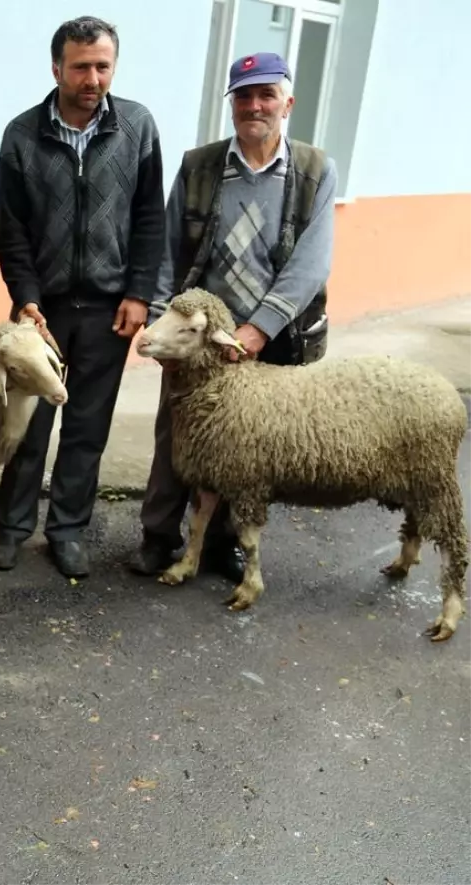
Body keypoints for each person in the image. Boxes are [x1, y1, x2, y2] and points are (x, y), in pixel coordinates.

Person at [128, 51, 338, 582]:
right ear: (232, 105)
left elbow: (312, 262)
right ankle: (158, 536)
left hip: (272, 337)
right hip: (198, 337)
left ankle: (224, 545)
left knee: (248, 450)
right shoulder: (199, 165)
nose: (254, 105)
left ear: (287, 103)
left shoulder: (316, 170)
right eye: (243, 96)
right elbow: (169, 248)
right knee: (176, 435)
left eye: (266, 94)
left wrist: (260, 327)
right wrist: (159, 324)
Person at [0, 16, 165, 578]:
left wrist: (139, 293)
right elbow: (12, 230)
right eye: (82, 66)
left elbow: (149, 219)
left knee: (87, 428)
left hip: (111, 311)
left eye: (103, 66)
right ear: (57, 68)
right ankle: (11, 528)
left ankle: (67, 530)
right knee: (28, 425)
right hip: (45, 312)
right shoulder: (22, 134)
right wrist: (26, 300)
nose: (93, 78)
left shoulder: (137, 126)